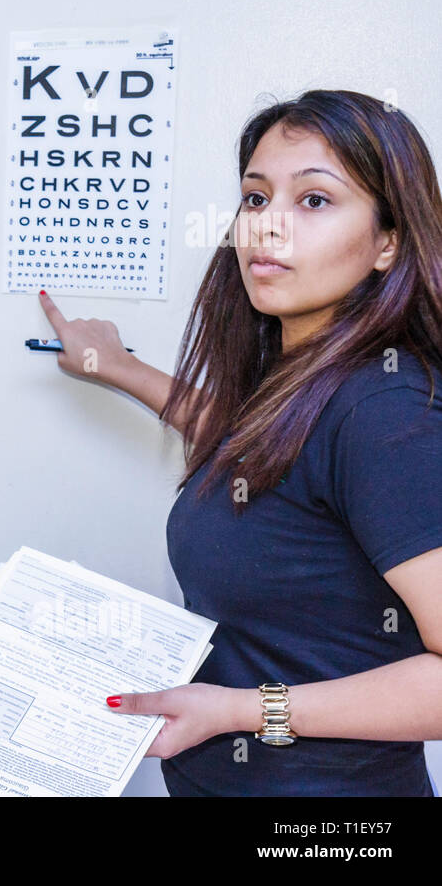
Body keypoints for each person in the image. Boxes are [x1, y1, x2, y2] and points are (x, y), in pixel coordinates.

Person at [42, 89, 442, 796]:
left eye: (314, 201)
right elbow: (264, 457)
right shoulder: (308, 379)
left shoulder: (382, 408)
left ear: (389, 242)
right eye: (255, 199)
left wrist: (242, 710)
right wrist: (119, 367)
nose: (267, 228)